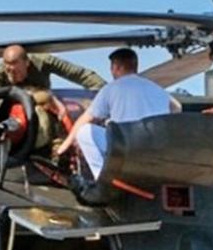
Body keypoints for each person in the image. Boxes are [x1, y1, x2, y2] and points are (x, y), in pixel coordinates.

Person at [52, 47, 177, 181]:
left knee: (84, 132)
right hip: (157, 152)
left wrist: (64, 147)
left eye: (112, 68)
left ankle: (103, 181)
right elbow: (177, 108)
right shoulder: (158, 89)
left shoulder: (111, 88)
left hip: (128, 150)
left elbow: (86, 118)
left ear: (116, 67)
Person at [0, 45, 106, 155]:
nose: (13, 75)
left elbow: (78, 74)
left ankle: (66, 151)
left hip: (50, 109)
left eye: (17, 71)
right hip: (18, 120)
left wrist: (107, 92)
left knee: (71, 113)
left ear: (27, 63)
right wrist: (40, 95)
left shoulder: (43, 62)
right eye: (9, 71)